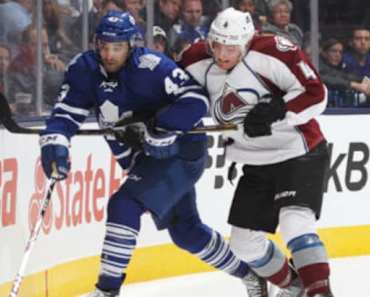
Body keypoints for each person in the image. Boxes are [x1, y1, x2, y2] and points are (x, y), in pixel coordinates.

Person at [39, 10, 267, 297]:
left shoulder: (151, 66)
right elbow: (66, 113)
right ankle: (251, 276)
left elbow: (195, 100)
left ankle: (106, 291)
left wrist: (158, 128)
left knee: (124, 205)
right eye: (104, 46)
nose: (109, 54)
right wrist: (55, 144)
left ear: (131, 45)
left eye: (117, 47)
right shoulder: (83, 69)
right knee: (186, 231)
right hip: (142, 159)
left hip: (180, 153)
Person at [179, 8, 334, 297]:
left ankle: (319, 292)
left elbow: (316, 94)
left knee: (294, 222)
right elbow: (167, 90)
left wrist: (278, 109)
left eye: (231, 47)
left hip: (298, 150)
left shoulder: (275, 52)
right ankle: (296, 287)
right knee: (243, 243)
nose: (223, 54)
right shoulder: (196, 59)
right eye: (217, 45)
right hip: (254, 161)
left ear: (247, 42)